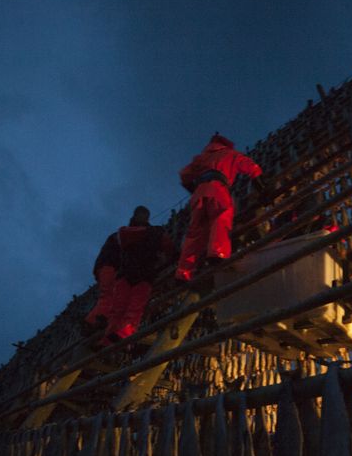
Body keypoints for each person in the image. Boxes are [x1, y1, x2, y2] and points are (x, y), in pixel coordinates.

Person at [175, 133, 263, 282]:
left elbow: (184, 175)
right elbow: (251, 167)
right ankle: (217, 253)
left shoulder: (200, 158)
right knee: (221, 216)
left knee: (195, 232)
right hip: (218, 187)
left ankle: (183, 272)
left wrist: (194, 190)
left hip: (199, 193)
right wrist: (261, 186)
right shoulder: (230, 154)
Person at [102, 206, 176, 344]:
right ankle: (116, 335)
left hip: (135, 273)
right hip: (138, 273)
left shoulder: (127, 232)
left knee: (129, 307)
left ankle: (118, 335)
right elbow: (168, 247)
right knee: (125, 307)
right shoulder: (148, 233)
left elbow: (168, 247)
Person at [83, 230, 122, 335]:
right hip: (109, 266)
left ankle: (93, 321)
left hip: (103, 267)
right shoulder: (121, 237)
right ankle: (92, 322)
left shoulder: (113, 239)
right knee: (109, 295)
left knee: (107, 295)